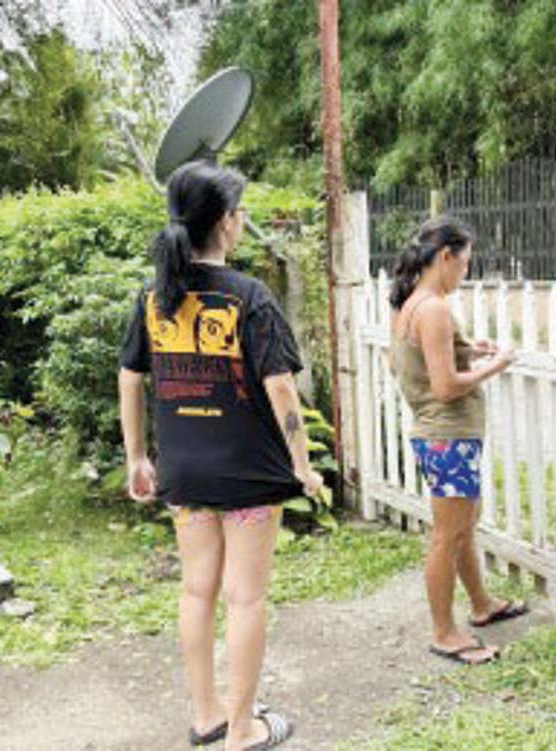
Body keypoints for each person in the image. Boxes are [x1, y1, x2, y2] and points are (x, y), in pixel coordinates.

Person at [118, 160, 322, 750]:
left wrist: (138, 456)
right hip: (249, 475)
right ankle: (241, 729)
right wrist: (303, 465)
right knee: (247, 596)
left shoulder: (156, 298)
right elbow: (281, 388)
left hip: (182, 471)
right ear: (227, 224)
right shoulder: (249, 298)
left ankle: (208, 714)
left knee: (195, 591)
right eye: (240, 212)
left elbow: (130, 376)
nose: (242, 221)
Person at [389, 215, 528, 666]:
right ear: (446, 257)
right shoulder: (434, 308)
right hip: (447, 435)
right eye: (465, 264)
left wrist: (467, 349)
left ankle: (483, 605)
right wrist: (497, 363)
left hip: (440, 436)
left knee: (465, 523)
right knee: (448, 536)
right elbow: (446, 387)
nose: (465, 273)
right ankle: (445, 632)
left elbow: (410, 365)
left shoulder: (411, 303)